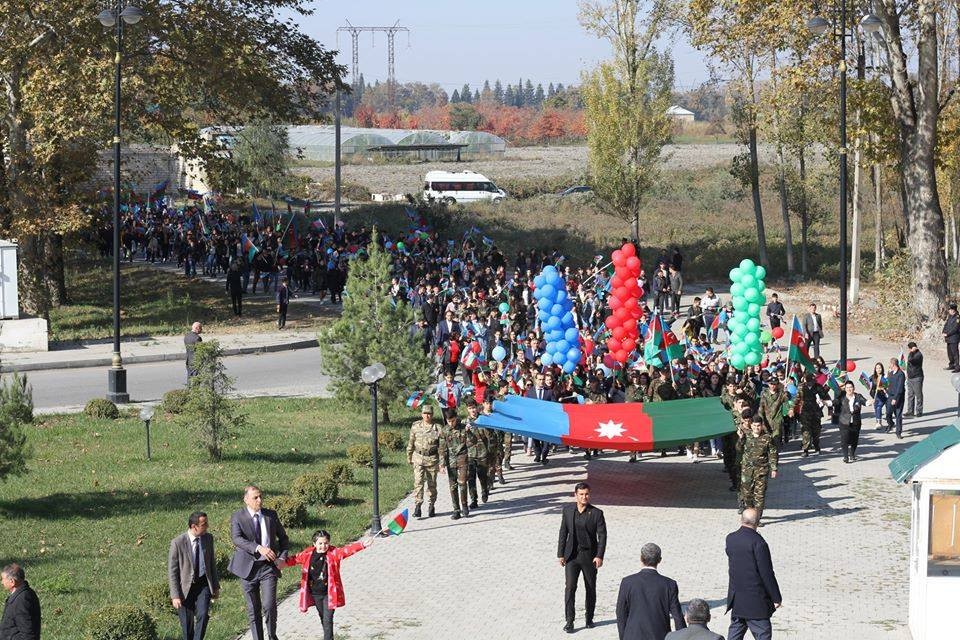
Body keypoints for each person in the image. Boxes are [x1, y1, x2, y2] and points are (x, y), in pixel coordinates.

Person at [282, 530, 373, 640]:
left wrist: (362, 544)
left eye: (326, 543)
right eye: (320, 543)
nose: (323, 546)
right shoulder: (308, 554)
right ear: (314, 544)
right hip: (315, 593)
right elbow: (295, 559)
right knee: (323, 618)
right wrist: (281, 562)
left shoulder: (333, 553)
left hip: (329, 594)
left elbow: (346, 551)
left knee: (328, 619)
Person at [228, 485, 290, 640]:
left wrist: (282, 557)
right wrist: (258, 548)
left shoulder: (271, 515)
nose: (260, 500)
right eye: (255, 497)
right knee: (253, 609)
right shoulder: (238, 516)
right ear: (246, 500)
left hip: (268, 568)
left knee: (269, 605)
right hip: (247, 570)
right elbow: (237, 539)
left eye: (261, 496)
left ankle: (272, 635)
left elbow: (283, 539)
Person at [558, 482, 607, 633]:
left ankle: (589, 618)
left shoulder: (597, 513)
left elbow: (602, 536)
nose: (584, 497)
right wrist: (560, 554)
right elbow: (563, 533)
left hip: (589, 556)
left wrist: (599, 556)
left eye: (586, 494)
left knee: (590, 588)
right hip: (572, 556)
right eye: (581, 494)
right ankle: (569, 621)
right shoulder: (567, 511)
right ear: (576, 495)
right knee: (570, 588)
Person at [725, 509, 782, 640]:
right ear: (757, 522)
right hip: (756, 603)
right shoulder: (759, 543)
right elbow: (766, 573)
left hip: (737, 599)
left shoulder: (731, 539)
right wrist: (776, 597)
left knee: (735, 634)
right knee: (763, 634)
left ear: (741, 520)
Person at [615, 542, 686, 640]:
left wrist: (623, 637)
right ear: (660, 560)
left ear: (641, 558)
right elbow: (677, 616)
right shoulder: (669, 584)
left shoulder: (627, 582)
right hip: (660, 636)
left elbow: (621, 613)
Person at [168, 512, 220, 640]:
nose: (207, 526)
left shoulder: (208, 538)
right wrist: (175, 595)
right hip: (185, 588)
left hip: (203, 584)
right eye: (204, 524)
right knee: (187, 626)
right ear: (193, 526)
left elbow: (211, 563)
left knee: (203, 614)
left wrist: (215, 586)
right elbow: (172, 571)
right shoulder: (177, 543)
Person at [739, 416, 778, 526]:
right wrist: (740, 438)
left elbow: (773, 453)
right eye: (755, 425)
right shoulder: (746, 436)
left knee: (759, 496)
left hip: (761, 471)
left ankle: (756, 519)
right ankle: (749, 516)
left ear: (762, 426)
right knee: (747, 495)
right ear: (751, 426)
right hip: (747, 472)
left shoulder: (767, 438)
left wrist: (774, 468)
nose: (756, 428)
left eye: (758, 426)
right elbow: (738, 449)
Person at [406, 404, 442, 519]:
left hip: (432, 459)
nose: (427, 415)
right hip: (418, 458)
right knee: (418, 482)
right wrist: (409, 455)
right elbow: (411, 442)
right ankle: (418, 506)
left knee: (432, 484)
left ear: (432, 415)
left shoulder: (437, 428)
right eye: (425, 413)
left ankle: (431, 505)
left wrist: (442, 462)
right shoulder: (416, 426)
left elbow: (441, 447)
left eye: (429, 414)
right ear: (422, 414)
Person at [438, 412, 473, 520]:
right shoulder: (444, 431)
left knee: (462, 483)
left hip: (463, 458)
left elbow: (473, 441)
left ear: (456, 418)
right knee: (453, 486)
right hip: (451, 460)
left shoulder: (463, 428)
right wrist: (442, 464)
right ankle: (456, 510)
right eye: (449, 421)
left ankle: (464, 505)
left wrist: (469, 433)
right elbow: (442, 448)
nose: (451, 423)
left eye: (452, 421)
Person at [0, 563, 41, 640]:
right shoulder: (24, 594)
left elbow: (28, 634)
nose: (2, 582)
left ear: (12, 582)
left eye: (3, 579)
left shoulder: (22, 600)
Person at [832, 380, 867, 463]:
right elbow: (834, 402)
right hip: (844, 421)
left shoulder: (858, 396)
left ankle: (852, 454)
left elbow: (865, 401)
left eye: (850, 387)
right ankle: (845, 456)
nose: (849, 389)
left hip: (855, 422)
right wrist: (825, 402)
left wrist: (869, 402)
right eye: (847, 387)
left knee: (854, 439)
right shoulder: (842, 396)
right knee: (844, 439)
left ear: (853, 388)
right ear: (845, 388)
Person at [525, 371, 555, 464]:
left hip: (546, 420)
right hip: (535, 421)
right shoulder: (530, 392)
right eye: (540, 379)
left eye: (543, 379)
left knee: (546, 441)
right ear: (535, 380)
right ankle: (538, 455)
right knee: (536, 440)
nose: (541, 381)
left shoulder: (549, 391)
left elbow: (554, 405)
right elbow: (527, 407)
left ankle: (544, 457)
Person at [885, 357, 906, 438]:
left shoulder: (901, 374)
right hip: (890, 396)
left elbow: (900, 388)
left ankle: (898, 432)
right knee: (888, 413)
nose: (889, 365)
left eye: (890, 364)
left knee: (898, 414)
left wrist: (895, 398)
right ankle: (890, 424)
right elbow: (887, 384)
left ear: (893, 364)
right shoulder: (890, 373)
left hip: (898, 397)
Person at [904, 341, 924, 418]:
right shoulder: (911, 354)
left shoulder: (919, 355)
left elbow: (912, 361)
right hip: (910, 377)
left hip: (917, 377)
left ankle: (919, 411)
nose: (909, 350)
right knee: (910, 395)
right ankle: (910, 411)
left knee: (918, 395)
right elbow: (908, 362)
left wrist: (912, 352)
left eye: (910, 349)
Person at [943, 302, 960, 371]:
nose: (949, 311)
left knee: (955, 353)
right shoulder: (950, 316)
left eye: (950, 309)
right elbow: (946, 325)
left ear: (953, 310)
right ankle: (951, 365)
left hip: (954, 338)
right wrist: (943, 331)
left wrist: (948, 334)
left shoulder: (958, 317)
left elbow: (955, 328)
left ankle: (957, 367)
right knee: (949, 353)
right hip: (948, 338)